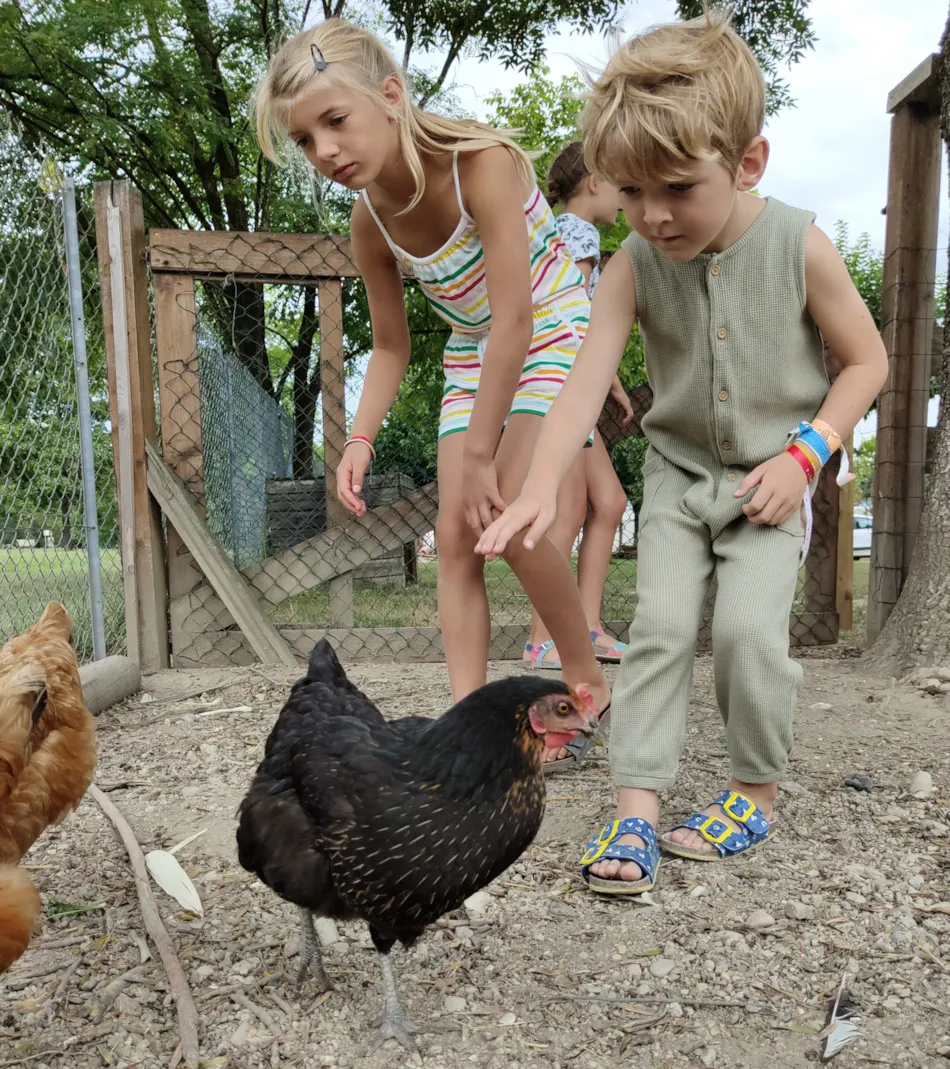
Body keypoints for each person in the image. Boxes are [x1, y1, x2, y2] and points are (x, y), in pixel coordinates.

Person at [475, 12, 888, 892]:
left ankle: (753, 791)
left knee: (746, 633)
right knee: (655, 632)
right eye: (630, 192)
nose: (653, 215)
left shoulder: (799, 245)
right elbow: (583, 382)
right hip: (676, 479)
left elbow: (870, 361)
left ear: (747, 163)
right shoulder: (631, 264)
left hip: (775, 478)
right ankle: (637, 808)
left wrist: (807, 453)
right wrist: (541, 487)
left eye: (676, 188)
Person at [255, 18, 611, 750]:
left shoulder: (479, 164)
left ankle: (586, 683)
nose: (324, 150)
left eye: (336, 121)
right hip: (475, 344)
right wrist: (359, 437)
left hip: (549, 324)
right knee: (454, 532)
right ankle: (472, 726)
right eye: (304, 140)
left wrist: (481, 453)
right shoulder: (368, 222)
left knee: (506, 511)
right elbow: (390, 346)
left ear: (390, 96)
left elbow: (517, 317)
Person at [523, 141, 633, 679]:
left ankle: (586, 625)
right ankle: (545, 639)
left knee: (608, 503)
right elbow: (562, 313)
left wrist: (608, 381)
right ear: (593, 182)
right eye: (620, 185)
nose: (624, 198)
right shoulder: (576, 234)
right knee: (566, 512)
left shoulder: (564, 233)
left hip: (571, 384)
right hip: (559, 389)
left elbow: (583, 318)